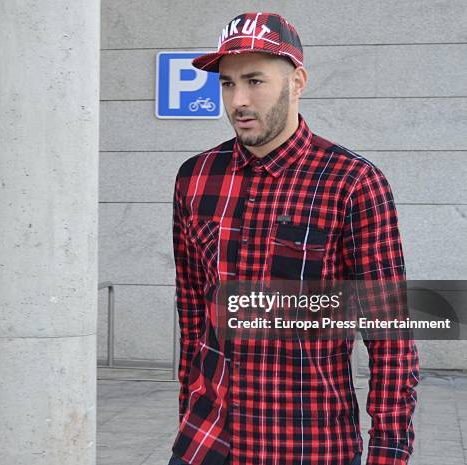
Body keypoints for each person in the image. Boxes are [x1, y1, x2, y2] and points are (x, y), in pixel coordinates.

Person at [169, 12, 419, 465]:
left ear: (297, 81)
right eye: (227, 84)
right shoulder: (195, 178)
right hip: (207, 439)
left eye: (255, 81)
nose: (239, 100)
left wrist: (389, 451)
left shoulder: (352, 182)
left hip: (306, 440)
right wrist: (188, 408)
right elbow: (192, 312)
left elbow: (390, 333)